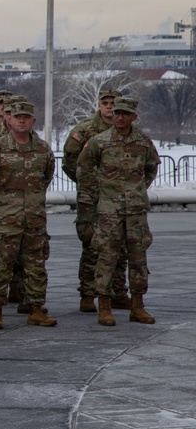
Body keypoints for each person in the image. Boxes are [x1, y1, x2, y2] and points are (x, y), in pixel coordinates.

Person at [77, 97, 160, 326]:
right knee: (106, 256)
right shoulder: (99, 141)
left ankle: (138, 306)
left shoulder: (143, 142)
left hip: (135, 212)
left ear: (134, 116)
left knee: (138, 258)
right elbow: (84, 168)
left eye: (125, 113)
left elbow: (151, 167)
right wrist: (98, 192)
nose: (120, 117)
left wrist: (139, 189)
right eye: (117, 113)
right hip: (108, 210)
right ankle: (104, 305)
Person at [0, 102, 57, 329]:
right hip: (5, 220)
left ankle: (35, 309)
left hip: (34, 219)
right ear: (9, 120)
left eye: (26, 117)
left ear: (33, 121)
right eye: (17, 117)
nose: (22, 120)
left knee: (36, 267)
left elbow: (46, 177)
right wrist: (1, 205)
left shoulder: (42, 150)